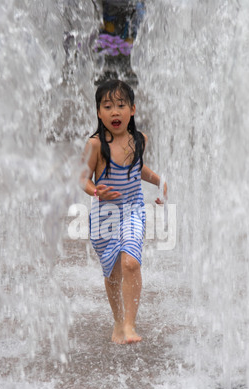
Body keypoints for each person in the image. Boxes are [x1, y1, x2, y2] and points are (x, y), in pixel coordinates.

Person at [80, 79, 167, 344]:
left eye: (120, 105)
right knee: (112, 274)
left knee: (131, 262)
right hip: (104, 219)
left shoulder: (139, 140)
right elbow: (82, 179)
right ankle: (118, 322)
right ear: (98, 112)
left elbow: (137, 169)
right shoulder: (95, 145)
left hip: (132, 210)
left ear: (133, 109)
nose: (114, 112)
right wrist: (96, 191)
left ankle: (130, 325)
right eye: (107, 106)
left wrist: (160, 182)